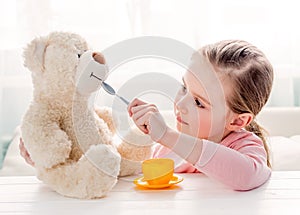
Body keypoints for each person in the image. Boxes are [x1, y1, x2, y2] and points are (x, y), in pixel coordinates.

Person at [20, 40, 273, 191]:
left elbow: (248, 175)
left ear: (239, 121)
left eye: (198, 102)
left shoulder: (244, 146)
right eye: (184, 87)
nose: (180, 104)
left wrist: (167, 136)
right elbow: (112, 168)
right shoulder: (161, 149)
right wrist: (48, 156)